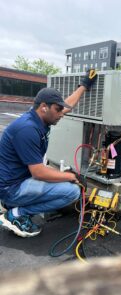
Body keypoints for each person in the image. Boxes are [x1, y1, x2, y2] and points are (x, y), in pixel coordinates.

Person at [0, 69, 97, 237]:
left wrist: (84, 85)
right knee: (71, 192)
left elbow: (68, 104)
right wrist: (71, 176)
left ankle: (12, 205)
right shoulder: (27, 129)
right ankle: (15, 213)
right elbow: (38, 173)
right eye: (58, 109)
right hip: (11, 188)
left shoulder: (39, 117)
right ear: (44, 107)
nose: (61, 114)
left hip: (15, 180)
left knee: (64, 182)